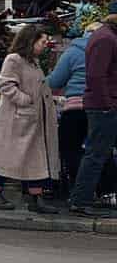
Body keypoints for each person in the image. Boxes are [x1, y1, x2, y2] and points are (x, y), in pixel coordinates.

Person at [0, 25, 61, 213]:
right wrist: (26, 101)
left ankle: (35, 198)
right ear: (31, 41)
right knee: (9, 157)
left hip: (32, 120)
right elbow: (5, 85)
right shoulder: (14, 60)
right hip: (17, 120)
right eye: (42, 42)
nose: (45, 45)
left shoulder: (33, 62)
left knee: (34, 158)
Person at [66, 9, 117, 216]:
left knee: (97, 153)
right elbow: (96, 76)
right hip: (104, 106)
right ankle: (80, 200)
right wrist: (107, 104)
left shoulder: (106, 35)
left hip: (105, 104)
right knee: (96, 154)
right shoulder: (106, 38)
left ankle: (82, 198)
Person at [48, 23, 89, 196]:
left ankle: (77, 188)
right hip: (105, 107)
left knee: (70, 149)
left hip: (75, 108)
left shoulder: (73, 52)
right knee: (100, 151)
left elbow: (55, 81)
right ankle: (104, 191)